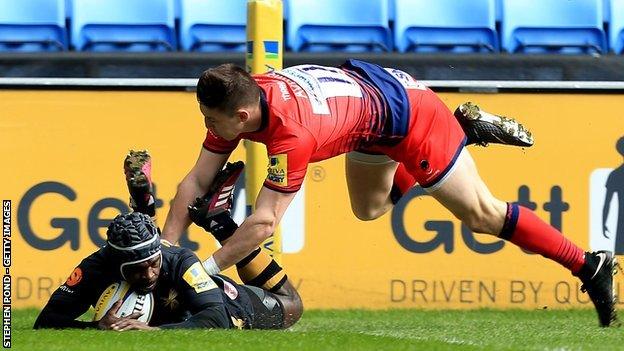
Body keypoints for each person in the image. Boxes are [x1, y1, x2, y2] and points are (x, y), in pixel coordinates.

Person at [160, 60, 619, 327]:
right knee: (369, 209)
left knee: (482, 215)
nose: (208, 126)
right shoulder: (245, 97)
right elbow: (195, 182)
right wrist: (166, 254)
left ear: (242, 116)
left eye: (213, 119)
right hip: (373, 112)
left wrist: (200, 272)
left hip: (412, 116)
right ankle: (461, 127)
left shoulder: (291, 134)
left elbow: (263, 223)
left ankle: (588, 264)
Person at [34, 152, 302, 330]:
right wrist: (96, 327)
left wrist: (151, 331)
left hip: (232, 303)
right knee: (146, 247)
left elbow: (217, 317)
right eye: (136, 269)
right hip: (168, 293)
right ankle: (159, 212)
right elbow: (46, 321)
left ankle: (219, 223)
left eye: (152, 263)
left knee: (292, 304)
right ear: (116, 263)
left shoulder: (178, 260)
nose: (148, 273)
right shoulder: (96, 266)